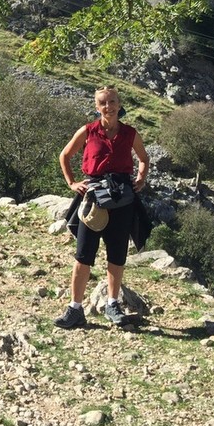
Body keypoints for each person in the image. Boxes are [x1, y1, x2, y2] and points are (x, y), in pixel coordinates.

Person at [54, 85, 149, 329]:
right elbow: (65, 155)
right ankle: (75, 310)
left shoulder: (130, 133)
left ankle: (112, 304)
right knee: (83, 254)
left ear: (119, 104)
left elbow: (144, 159)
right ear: (97, 107)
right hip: (94, 198)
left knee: (117, 256)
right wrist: (72, 182)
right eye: (103, 103)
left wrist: (141, 179)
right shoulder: (88, 131)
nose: (108, 106)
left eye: (112, 102)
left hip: (122, 199)